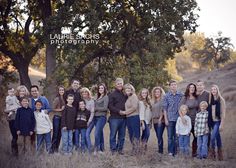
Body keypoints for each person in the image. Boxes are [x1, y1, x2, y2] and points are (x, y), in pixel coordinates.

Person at [163, 80, 183, 156]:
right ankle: (170, 152)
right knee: (170, 136)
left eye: (175, 85)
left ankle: (177, 152)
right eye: (172, 85)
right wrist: (166, 119)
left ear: (176, 86)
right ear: (170, 86)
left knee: (177, 136)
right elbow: (165, 108)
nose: (174, 86)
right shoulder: (166, 96)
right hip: (170, 119)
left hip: (178, 119)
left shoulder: (181, 95)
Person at [108, 78, 127, 155]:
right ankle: (113, 150)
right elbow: (110, 106)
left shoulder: (125, 94)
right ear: (115, 84)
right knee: (113, 135)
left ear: (123, 84)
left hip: (124, 118)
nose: (120, 85)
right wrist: (119, 111)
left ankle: (120, 150)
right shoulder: (111, 94)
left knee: (122, 136)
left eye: (121, 83)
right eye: (118, 83)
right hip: (114, 118)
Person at [120, 83, 140, 155]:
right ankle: (134, 148)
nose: (127, 90)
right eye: (126, 89)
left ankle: (137, 150)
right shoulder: (128, 97)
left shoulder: (134, 96)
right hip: (129, 118)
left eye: (129, 89)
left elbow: (134, 107)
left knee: (135, 133)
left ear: (132, 90)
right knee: (131, 134)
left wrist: (125, 112)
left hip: (134, 117)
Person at [180, 83, 199, 157]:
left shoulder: (196, 97)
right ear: (188, 88)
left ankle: (194, 153)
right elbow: (180, 108)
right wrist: (182, 118)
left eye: (193, 87)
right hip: (186, 121)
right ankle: (185, 153)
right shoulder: (185, 98)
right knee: (186, 137)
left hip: (195, 121)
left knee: (196, 137)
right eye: (190, 87)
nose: (192, 88)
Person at [208, 85, 226, 161]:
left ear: (217, 90)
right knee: (218, 138)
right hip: (211, 122)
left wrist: (221, 124)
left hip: (217, 121)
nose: (213, 91)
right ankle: (220, 155)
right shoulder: (210, 100)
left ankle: (212, 154)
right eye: (212, 90)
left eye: (215, 89)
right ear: (211, 91)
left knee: (212, 138)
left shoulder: (221, 100)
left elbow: (223, 113)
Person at [4, 88, 21, 156]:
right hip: (12, 119)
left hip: (17, 119)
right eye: (10, 92)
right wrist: (12, 109)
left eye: (13, 92)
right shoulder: (8, 98)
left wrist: (18, 105)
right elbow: (6, 109)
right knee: (14, 135)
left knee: (16, 136)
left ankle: (17, 151)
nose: (12, 93)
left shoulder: (15, 97)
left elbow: (17, 103)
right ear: (8, 92)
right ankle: (14, 151)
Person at [94, 83, 109, 154]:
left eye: (102, 88)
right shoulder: (97, 97)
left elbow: (105, 108)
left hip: (102, 117)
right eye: (99, 88)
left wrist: (96, 108)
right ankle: (101, 149)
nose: (100, 89)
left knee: (96, 133)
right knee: (100, 133)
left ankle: (96, 149)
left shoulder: (105, 97)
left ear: (104, 89)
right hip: (95, 117)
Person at [151, 87, 165, 154]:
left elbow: (163, 110)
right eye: (155, 92)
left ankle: (160, 151)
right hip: (154, 121)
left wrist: (160, 119)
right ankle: (160, 149)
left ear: (161, 93)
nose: (157, 93)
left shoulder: (162, 100)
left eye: (158, 92)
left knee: (159, 135)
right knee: (158, 136)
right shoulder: (153, 101)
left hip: (161, 121)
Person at [51, 86, 65, 153]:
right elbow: (52, 109)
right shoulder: (57, 99)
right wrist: (60, 109)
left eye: (62, 90)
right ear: (58, 91)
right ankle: (52, 149)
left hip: (62, 118)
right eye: (60, 90)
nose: (61, 91)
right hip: (56, 117)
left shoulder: (65, 99)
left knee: (60, 134)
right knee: (55, 134)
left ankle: (56, 149)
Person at [80, 87, 95, 153]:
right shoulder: (82, 101)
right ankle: (85, 148)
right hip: (83, 121)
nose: (84, 93)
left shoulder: (91, 101)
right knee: (84, 134)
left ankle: (90, 149)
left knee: (87, 134)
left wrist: (89, 121)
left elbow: (92, 112)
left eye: (85, 92)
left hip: (91, 120)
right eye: (83, 92)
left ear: (88, 93)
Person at [139, 88, 152, 154]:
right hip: (144, 121)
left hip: (148, 121)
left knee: (145, 135)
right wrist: (142, 123)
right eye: (143, 93)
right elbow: (141, 113)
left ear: (147, 94)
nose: (144, 94)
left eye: (145, 93)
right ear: (141, 94)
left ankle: (143, 148)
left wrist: (150, 122)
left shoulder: (148, 102)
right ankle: (143, 147)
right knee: (147, 134)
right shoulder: (141, 102)